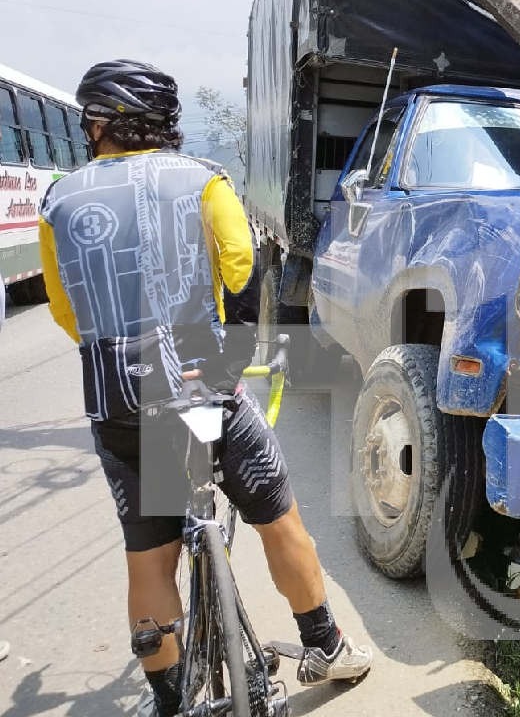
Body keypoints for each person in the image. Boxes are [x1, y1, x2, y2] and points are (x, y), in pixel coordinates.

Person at [37, 60, 371, 717]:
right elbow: (242, 267)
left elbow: (63, 308)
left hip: (121, 402)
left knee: (151, 558)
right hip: (201, 394)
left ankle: (169, 699)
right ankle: (323, 646)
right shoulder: (203, 181)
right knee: (278, 517)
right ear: (163, 123)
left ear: (104, 123)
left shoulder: (60, 200)